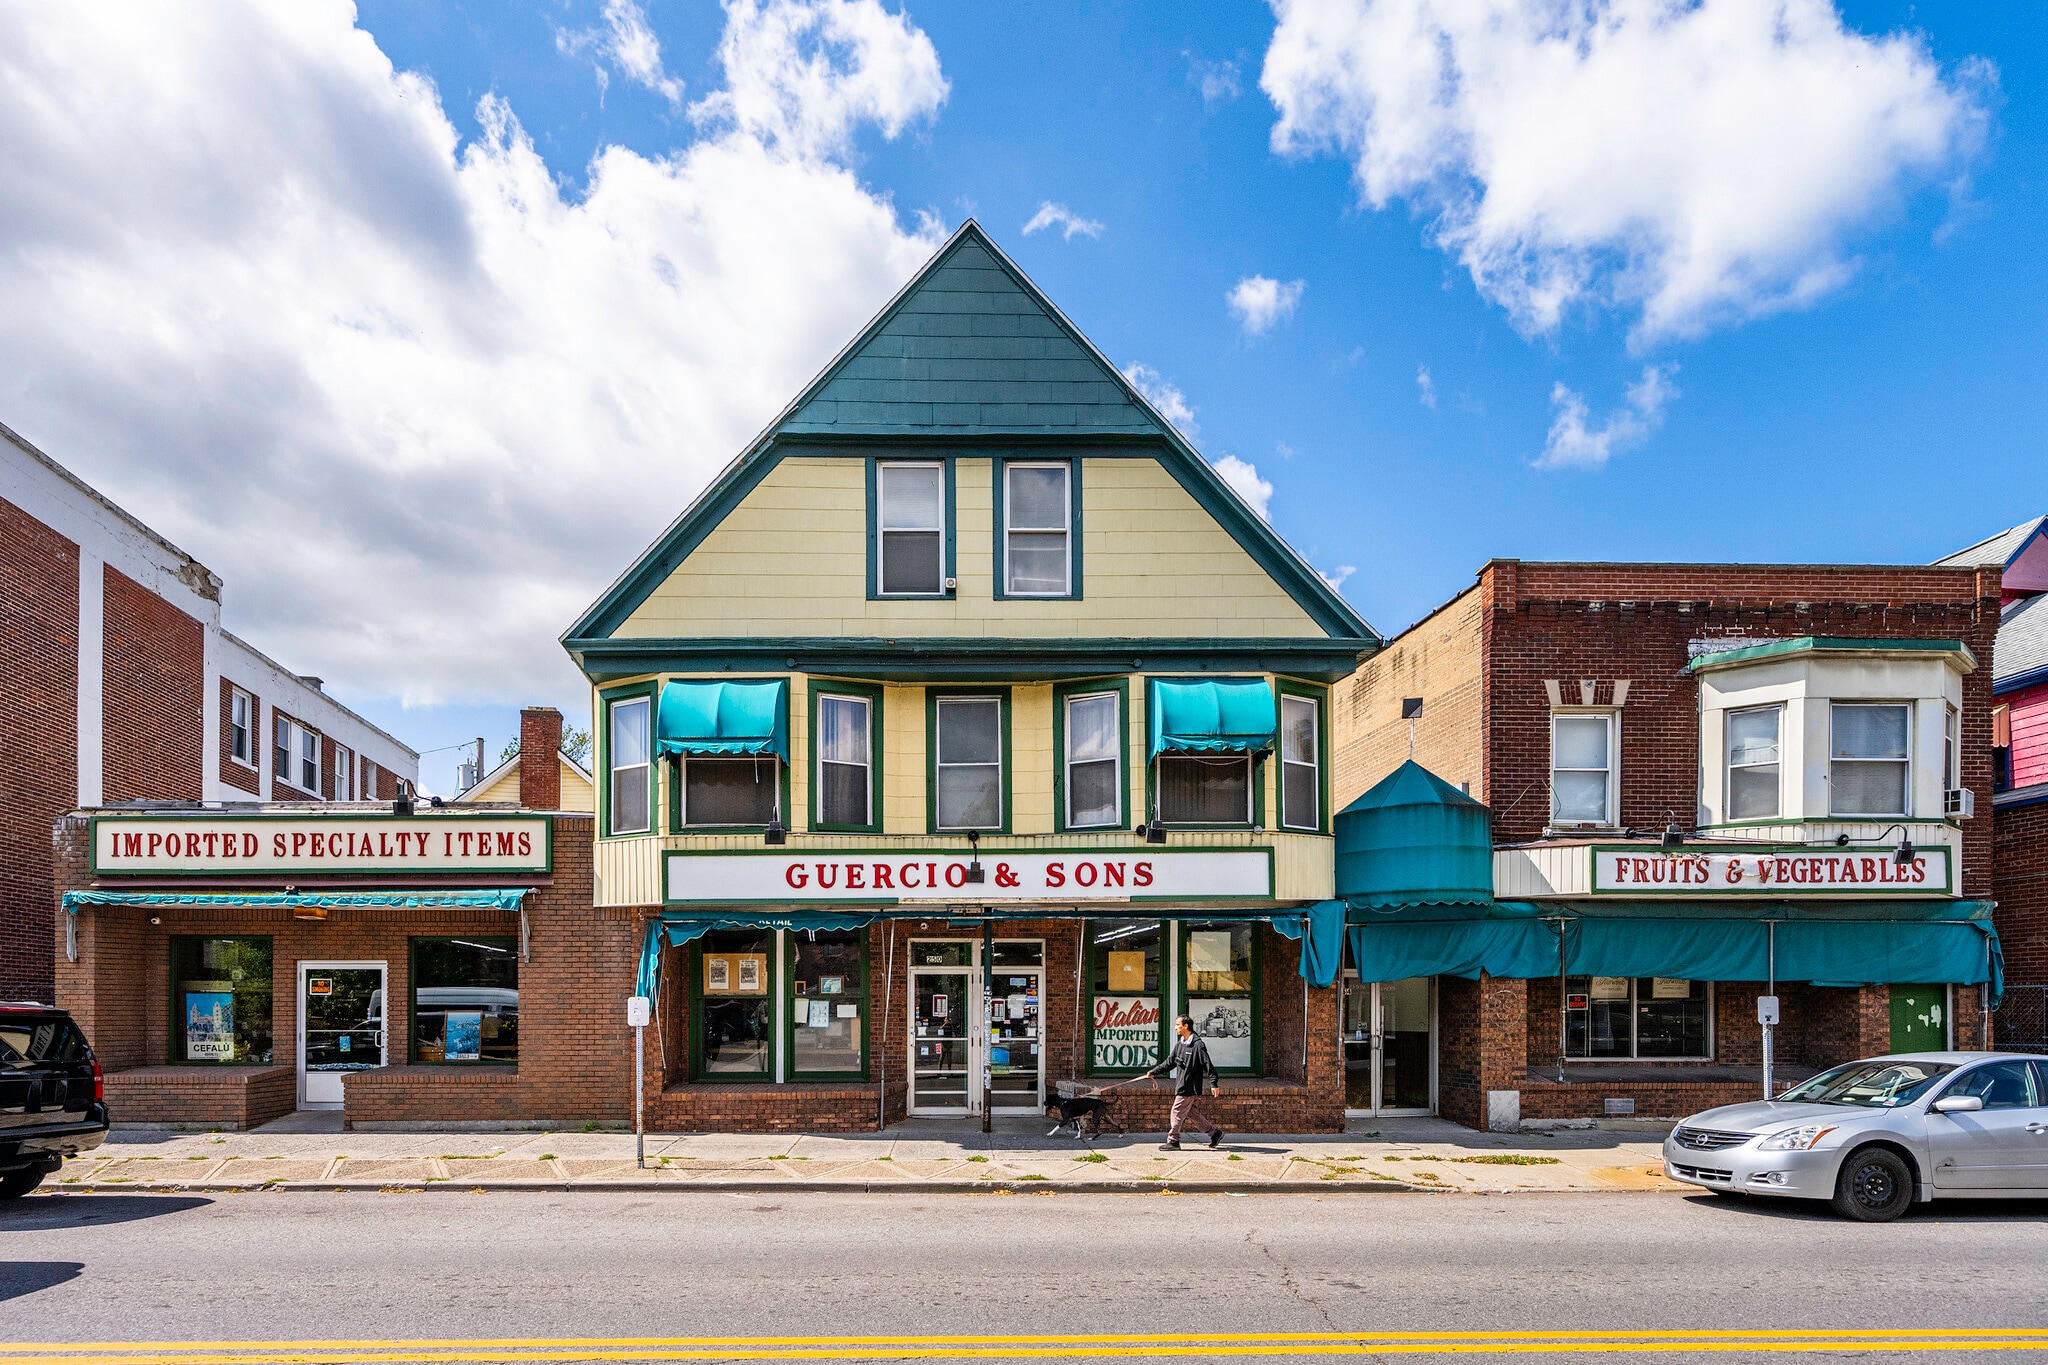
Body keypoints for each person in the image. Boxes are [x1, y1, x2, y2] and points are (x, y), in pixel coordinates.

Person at [1143, 1014, 1224, 1150]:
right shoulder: (1180, 1045)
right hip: (1182, 1084)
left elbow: (1207, 1064)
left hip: (1189, 1087)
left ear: (1186, 1026)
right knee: (1192, 1113)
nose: (1175, 1028)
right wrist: (1153, 1072)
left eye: (1177, 1025)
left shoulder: (1198, 1045)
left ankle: (1173, 1140)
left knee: (1176, 1111)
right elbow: (1169, 1063)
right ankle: (1214, 1133)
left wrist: (1214, 1083)